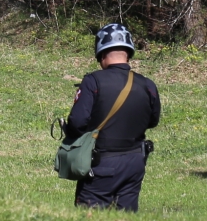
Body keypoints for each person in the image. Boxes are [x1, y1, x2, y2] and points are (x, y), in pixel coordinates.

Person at [61, 22, 160, 211]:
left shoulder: (93, 81)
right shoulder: (148, 85)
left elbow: (78, 122)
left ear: (101, 53)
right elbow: (153, 121)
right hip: (134, 163)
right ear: (129, 52)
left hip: (101, 164)